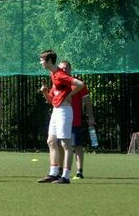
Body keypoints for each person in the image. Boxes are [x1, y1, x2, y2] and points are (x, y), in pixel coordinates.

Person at [37, 49, 85, 184]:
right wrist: (45, 92)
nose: (40, 62)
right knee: (51, 141)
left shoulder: (60, 74)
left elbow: (80, 84)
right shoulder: (53, 74)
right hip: (56, 110)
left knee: (65, 143)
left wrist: (70, 95)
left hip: (64, 111)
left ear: (49, 61)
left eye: (42, 60)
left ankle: (65, 176)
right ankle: (53, 174)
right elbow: (51, 100)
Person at [58, 61, 96, 179]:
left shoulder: (78, 83)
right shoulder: (57, 83)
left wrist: (91, 117)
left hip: (75, 121)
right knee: (60, 145)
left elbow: (87, 101)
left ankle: (79, 171)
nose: (64, 70)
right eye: (62, 68)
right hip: (61, 121)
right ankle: (60, 170)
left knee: (77, 146)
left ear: (70, 69)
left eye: (66, 68)